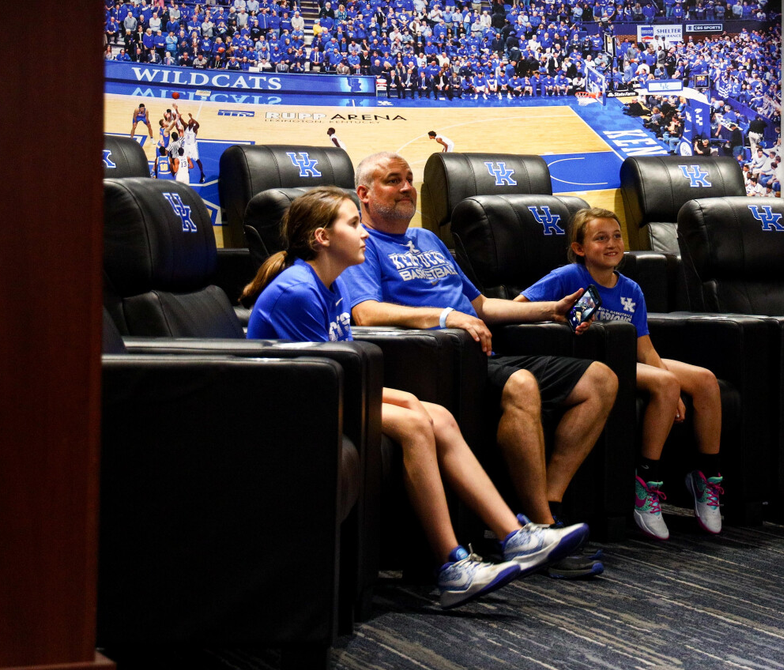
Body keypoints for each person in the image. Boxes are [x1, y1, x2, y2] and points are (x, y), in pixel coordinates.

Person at [241, 187, 588, 608]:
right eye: (353, 224)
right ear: (322, 237)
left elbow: (340, 368)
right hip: (290, 408)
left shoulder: (328, 286)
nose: (363, 234)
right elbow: (320, 380)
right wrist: (403, 404)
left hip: (322, 392)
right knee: (412, 421)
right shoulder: (297, 291)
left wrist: (404, 398)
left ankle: (515, 536)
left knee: (436, 414)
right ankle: (453, 565)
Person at [337, 152, 617, 579]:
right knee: (522, 383)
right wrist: (447, 319)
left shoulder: (429, 240)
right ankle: (542, 532)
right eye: (393, 181)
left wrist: (549, 310)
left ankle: (549, 507)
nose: (407, 187)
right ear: (365, 194)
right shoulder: (362, 244)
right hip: (433, 363)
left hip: (482, 353)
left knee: (600, 379)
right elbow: (366, 314)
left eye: (409, 179)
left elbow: (481, 305)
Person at [518, 208, 724, 540]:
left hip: (630, 358)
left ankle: (706, 477)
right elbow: (518, 306)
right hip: (595, 362)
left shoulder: (632, 289)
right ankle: (646, 483)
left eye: (616, 236)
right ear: (580, 248)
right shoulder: (567, 277)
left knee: (705, 380)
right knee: (666, 382)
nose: (612, 243)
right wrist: (557, 322)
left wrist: (666, 382)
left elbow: (644, 348)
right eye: (600, 238)